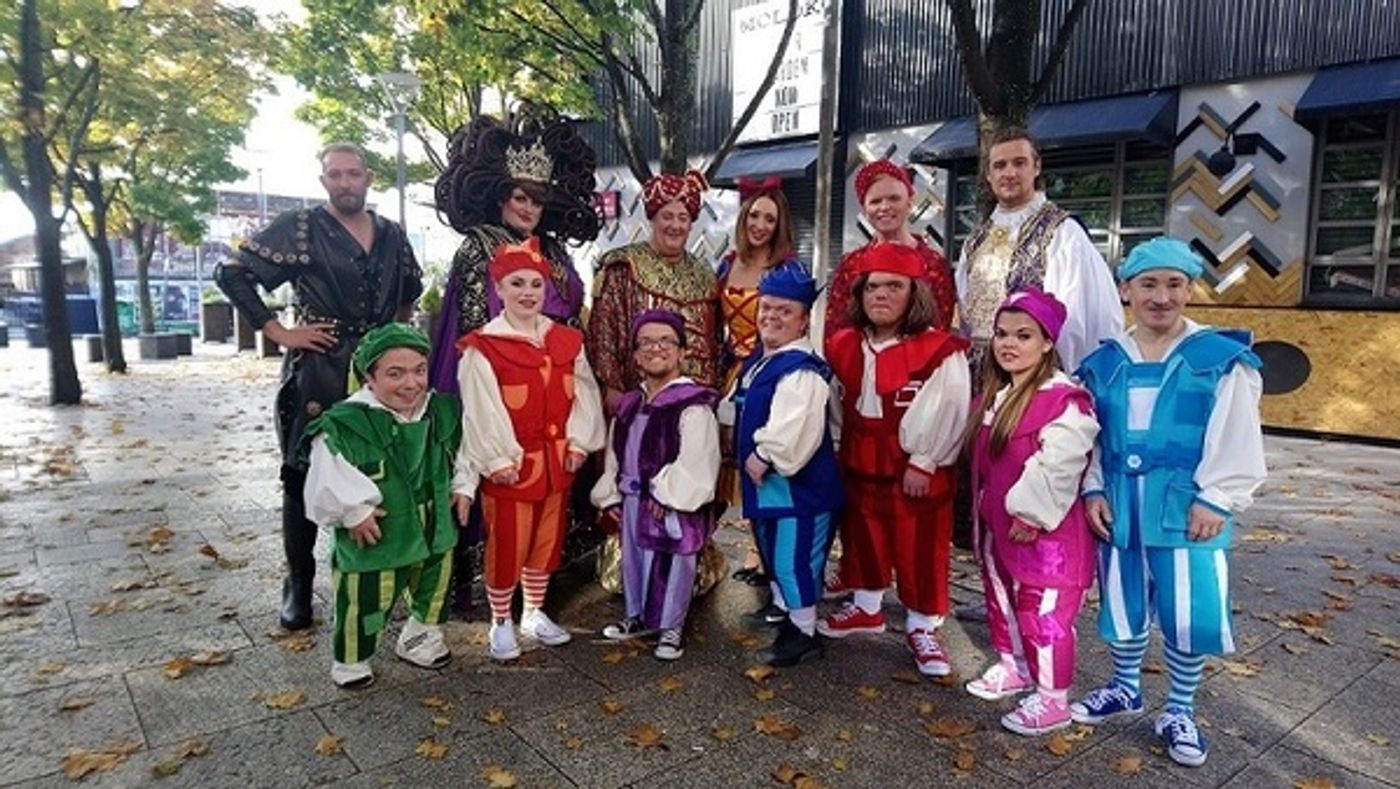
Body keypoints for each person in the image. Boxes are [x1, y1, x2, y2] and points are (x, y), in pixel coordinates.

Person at [1070, 237, 1266, 768]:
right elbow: (1089, 435)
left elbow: (1238, 435)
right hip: (1120, 505)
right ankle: (1124, 686)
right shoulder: (1104, 362)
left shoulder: (1220, 359)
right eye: (1149, 284)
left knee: (1186, 608)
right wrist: (1091, 488)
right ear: (1126, 289)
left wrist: (1218, 498)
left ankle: (1180, 708)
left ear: (1189, 289)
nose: (1161, 297)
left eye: (1173, 284)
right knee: (1124, 599)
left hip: (1187, 507)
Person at [215, 143, 422, 631]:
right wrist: (278, 330)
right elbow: (233, 274)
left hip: (379, 372)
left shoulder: (392, 234)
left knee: (383, 469)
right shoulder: (301, 227)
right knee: (303, 472)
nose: (345, 182)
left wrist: (396, 347)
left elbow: (407, 297)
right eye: (335, 175)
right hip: (320, 368)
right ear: (324, 179)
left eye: (353, 174)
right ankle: (299, 583)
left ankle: (376, 578)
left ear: (368, 178)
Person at [430, 116, 599, 616]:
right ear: (499, 195)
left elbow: (573, 307)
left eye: (538, 199)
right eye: (519, 197)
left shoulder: (555, 249)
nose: (528, 208)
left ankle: (542, 588)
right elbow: (474, 324)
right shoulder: (478, 246)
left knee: (553, 492)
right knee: (505, 484)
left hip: (559, 379)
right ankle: (497, 592)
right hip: (500, 381)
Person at [821, 243, 970, 677]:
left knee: (918, 544)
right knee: (862, 533)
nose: (881, 295)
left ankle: (924, 625)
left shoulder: (939, 350)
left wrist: (926, 459)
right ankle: (867, 605)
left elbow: (950, 407)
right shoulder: (846, 344)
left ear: (914, 293)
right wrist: (835, 444)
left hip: (912, 466)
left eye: (893, 286)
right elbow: (836, 402)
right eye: (872, 287)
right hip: (859, 460)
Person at [454, 237, 606, 662]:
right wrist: (497, 458)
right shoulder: (483, 347)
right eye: (516, 284)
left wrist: (579, 441)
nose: (527, 293)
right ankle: (501, 621)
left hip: (557, 463)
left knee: (547, 540)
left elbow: (585, 392)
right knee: (507, 544)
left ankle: (534, 612)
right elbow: (480, 411)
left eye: (535, 285)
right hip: (511, 468)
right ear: (498, 289)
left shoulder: (565, 340)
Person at [963, 289, 1099, 735]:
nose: (1009, 344)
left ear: (1047, 342)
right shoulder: (1000, 395)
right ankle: (1013, 665)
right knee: (1001, 599)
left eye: (1023, 335)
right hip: (998, 531)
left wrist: (1031, 513)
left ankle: (1053, 698)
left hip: (1046, 540)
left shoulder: (1063, 399)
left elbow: (1060, 462)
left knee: (1042, 613)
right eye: (1002, 334)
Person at [302, 324, 464, 688]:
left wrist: (462, 486)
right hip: (376, 528)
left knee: (433, 586)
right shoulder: (345, 423)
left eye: (419, 370)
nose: (411, 383)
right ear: (369, 378)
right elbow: (328, 474)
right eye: (395, 373)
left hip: (432, 521)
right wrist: (352, 510)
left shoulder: (439, 410)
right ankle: (352, 659)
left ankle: (420, 639)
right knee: (366, 595)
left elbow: (460, 452)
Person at [732, 261, 843, 667]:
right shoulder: (763, 360)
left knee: (792, 559)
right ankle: (786, 614)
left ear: (802, 321)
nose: (772, 317)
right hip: (772, 489)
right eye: (767, 308)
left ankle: (804, 632)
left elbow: (795, 427)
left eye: (784, 311)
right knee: (772, 549)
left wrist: (764, 454)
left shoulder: (802, 370)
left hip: (800, 490)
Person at [592, 310, 721, 660]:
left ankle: (671, 627)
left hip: (671, 500)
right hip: (634, 497)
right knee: (635, 560)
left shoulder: (693, 405)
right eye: (646, 342)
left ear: (681, 352)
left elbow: (699, 458)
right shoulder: (631, 404)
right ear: (635, 355)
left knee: (674, 561)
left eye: (666, 340)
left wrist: (669, 493)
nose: (655, 348)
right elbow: (617, 452)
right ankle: (636, 616)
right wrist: (612, 492)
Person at [954, 127, 1122, 377]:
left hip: (1036, 379)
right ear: (988, 175)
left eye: (1019, 163)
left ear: (1037, 167)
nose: (1009, 173)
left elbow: (1083, 318)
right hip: (978, 380)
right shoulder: (975, 241)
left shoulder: (1063, 232)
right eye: (1000, 165)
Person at [715, 177, 799, 587]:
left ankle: (767, 555)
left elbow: (796, 324)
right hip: (732, 369)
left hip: (768, 369)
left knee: (762, 459)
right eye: (754, 214)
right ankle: (750, 545)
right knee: (730, 462)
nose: (761, 224)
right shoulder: (728, 262)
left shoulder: (786, 267)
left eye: (770, 217)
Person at [587, 170, 722, 413]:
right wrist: (615, 396)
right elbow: (603, 338)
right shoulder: (623, 267)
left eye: (683, 218)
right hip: (638, 403)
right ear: (652, 218)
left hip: (698, 403)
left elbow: (716, 342)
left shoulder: (706, 275)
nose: (675, 225)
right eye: (667, 216)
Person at [824, 159, 957, 336]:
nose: (885, 207)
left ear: (910, 202)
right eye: (875, 201)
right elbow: (836, 331)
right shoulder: (851, 265)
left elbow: (941, 327)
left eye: (894, 198)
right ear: (864, 209)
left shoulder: (934, 264)